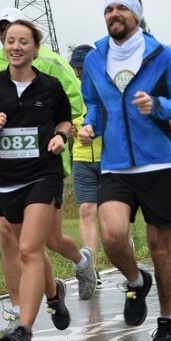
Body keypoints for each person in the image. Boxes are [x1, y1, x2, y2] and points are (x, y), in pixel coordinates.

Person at [78, 0, 171, 341]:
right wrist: (90, 126)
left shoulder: (160, 56)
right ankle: (135, 281)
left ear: (136, 15)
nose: (114, 14)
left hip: (159, 164)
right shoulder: (96, 59)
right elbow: (95, 106)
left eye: (122, 9)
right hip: (116, 166)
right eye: (109, 9)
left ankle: (167, 320)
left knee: (160, 249)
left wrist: (159, 105)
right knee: (113, 236)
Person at [0, 19, 74, 341]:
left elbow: (66, 121)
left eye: (23, 41)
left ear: (35, 49)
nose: (15, 47)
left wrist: (60, 137)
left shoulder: (51, 87)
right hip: (7, 181)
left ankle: (24, 331)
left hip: (43, 174)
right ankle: (53, 293)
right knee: (30, 251)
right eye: (10, 41)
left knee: (28, 248)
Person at [0, 9, 98, 326]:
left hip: (46, 164)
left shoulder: (54, 64)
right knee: (10, 235)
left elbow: (75, 110)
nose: (11, 41)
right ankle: (20, 308)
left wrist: (61, 134)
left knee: (48, 240)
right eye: (4, 33)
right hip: (9, 168)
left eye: (18, 33)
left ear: (32, 37)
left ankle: (80, 260)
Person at [68, 44, 104, 297]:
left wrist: (96, 132)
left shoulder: (105, 85)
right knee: (86, 210)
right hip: (81, 158)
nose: (79, 73)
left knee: (114, 216)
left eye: (82, 68)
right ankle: (92, 268)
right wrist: (68, 130)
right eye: (76, 69)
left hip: (109, 157)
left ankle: (124, 248)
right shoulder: (69, 91)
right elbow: (63, 118)